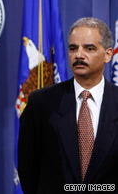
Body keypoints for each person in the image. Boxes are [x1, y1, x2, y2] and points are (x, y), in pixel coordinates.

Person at [18, 17, 118, 193]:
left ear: (108, 54)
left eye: (89, 48)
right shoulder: (41, 103)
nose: (79, 55)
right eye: (73, 48)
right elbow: (28, 169)